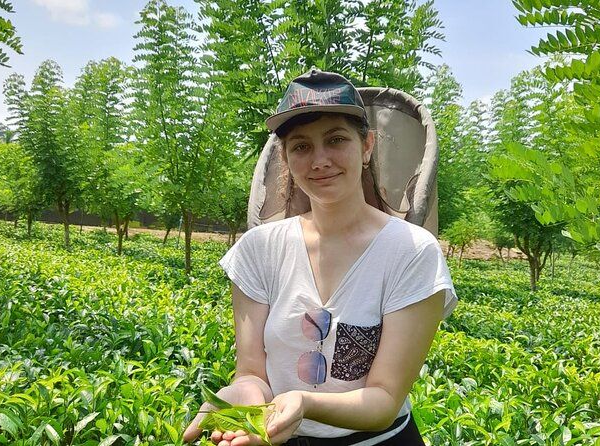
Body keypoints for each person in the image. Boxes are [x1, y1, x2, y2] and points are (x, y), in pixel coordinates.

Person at [183, 69, 457, 446]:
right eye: (301, 146)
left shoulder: (412, 252)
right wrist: (244, 398)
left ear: (367, 146)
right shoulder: (259, 249)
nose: (320, 160)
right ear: (286, 158)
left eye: (336, 140)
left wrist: (304, 403)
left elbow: (384, 399)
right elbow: (251, 372)